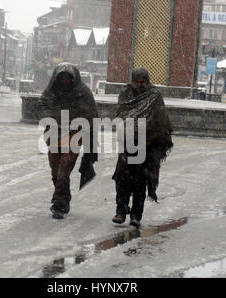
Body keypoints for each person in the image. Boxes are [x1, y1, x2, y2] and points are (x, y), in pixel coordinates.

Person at [112, 67, 174, 228]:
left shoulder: (154, 96)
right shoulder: (127, 94)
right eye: (137, 81)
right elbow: (121, 114)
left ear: (148, 81)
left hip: (146, 146)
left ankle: (136, 215)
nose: (140, 85)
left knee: (140, 182)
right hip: (128, 145)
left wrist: (148, 131)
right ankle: (121, 211)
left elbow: (160, 119)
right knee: (122, 180)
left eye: (143, 82)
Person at [38, 63, 98, 219]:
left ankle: (59, 204)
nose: (64, 80)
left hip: (74, 136)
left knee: (64, 170)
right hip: (54, 136)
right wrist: (52, 116)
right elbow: (43, 104)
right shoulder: (52, 91)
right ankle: (64, 197)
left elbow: (91, 116)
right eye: (61, 77)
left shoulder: (82, 93)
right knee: (55, 172)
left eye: (67, 77)